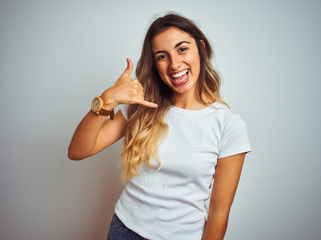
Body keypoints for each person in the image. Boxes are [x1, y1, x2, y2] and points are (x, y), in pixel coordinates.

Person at [68, 13, 251, 240]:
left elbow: (218, 214)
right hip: (124, 231)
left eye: (182, 49)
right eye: (162, 56)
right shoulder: (142, 107)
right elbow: (77, 151)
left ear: (201, 48)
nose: (174, 64)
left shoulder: (229, 125)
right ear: (154, 64)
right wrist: (107, 101)